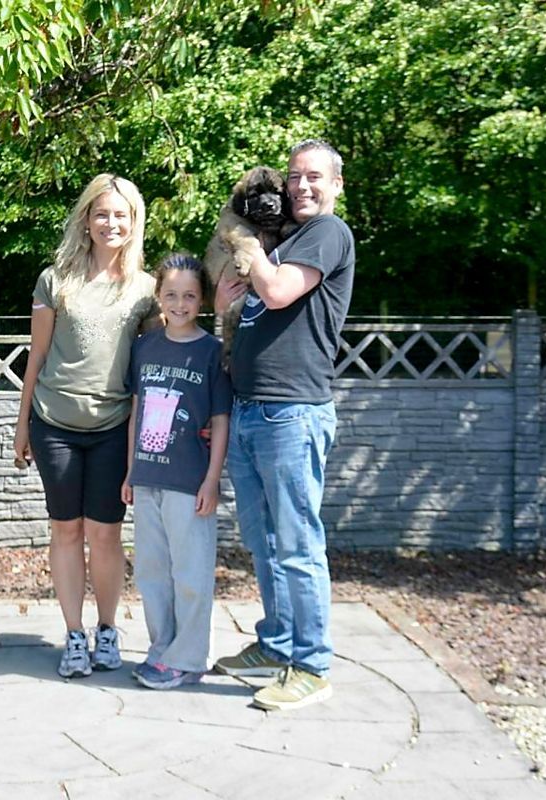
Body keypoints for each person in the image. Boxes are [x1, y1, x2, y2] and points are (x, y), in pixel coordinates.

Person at [212, 139, 355, 710]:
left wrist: (241, 242)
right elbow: (242, 306)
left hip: (291, 412)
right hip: (250, 409)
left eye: (314, 176)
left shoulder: (328, 233)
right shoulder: (286, 240)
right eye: (295, 176)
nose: (301, 186)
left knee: (297, 544)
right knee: (264, 542)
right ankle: (276, 645)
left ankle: (312, 665)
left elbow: (274, 292)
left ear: (336, 184)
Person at [14, 174, 160, 679]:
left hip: (114, 427)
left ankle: (107, 630)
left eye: (121, 215)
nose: (110, 223)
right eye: (102, 213)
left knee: (105, 533)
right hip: (54, 423)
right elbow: (36, 355)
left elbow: (154, 369)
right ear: (86, 219)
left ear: (134, 222)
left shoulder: (147, 289)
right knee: (65, 529)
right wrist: (21, 426)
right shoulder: (54, 281)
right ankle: (74, 635)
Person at [121, 253, 231, 690]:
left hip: (190, 481)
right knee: (151, 571)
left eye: (189, 296)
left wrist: (212, 480)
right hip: (148, 478)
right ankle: (162, 648)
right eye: (171, 295)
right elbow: (136, 412)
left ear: (201, 299)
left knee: (190, 573)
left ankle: (187, 658)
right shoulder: (144, 347)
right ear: (159, 297)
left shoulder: (212, 352)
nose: (180, 304)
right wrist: (130, 472)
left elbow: (220, 419)